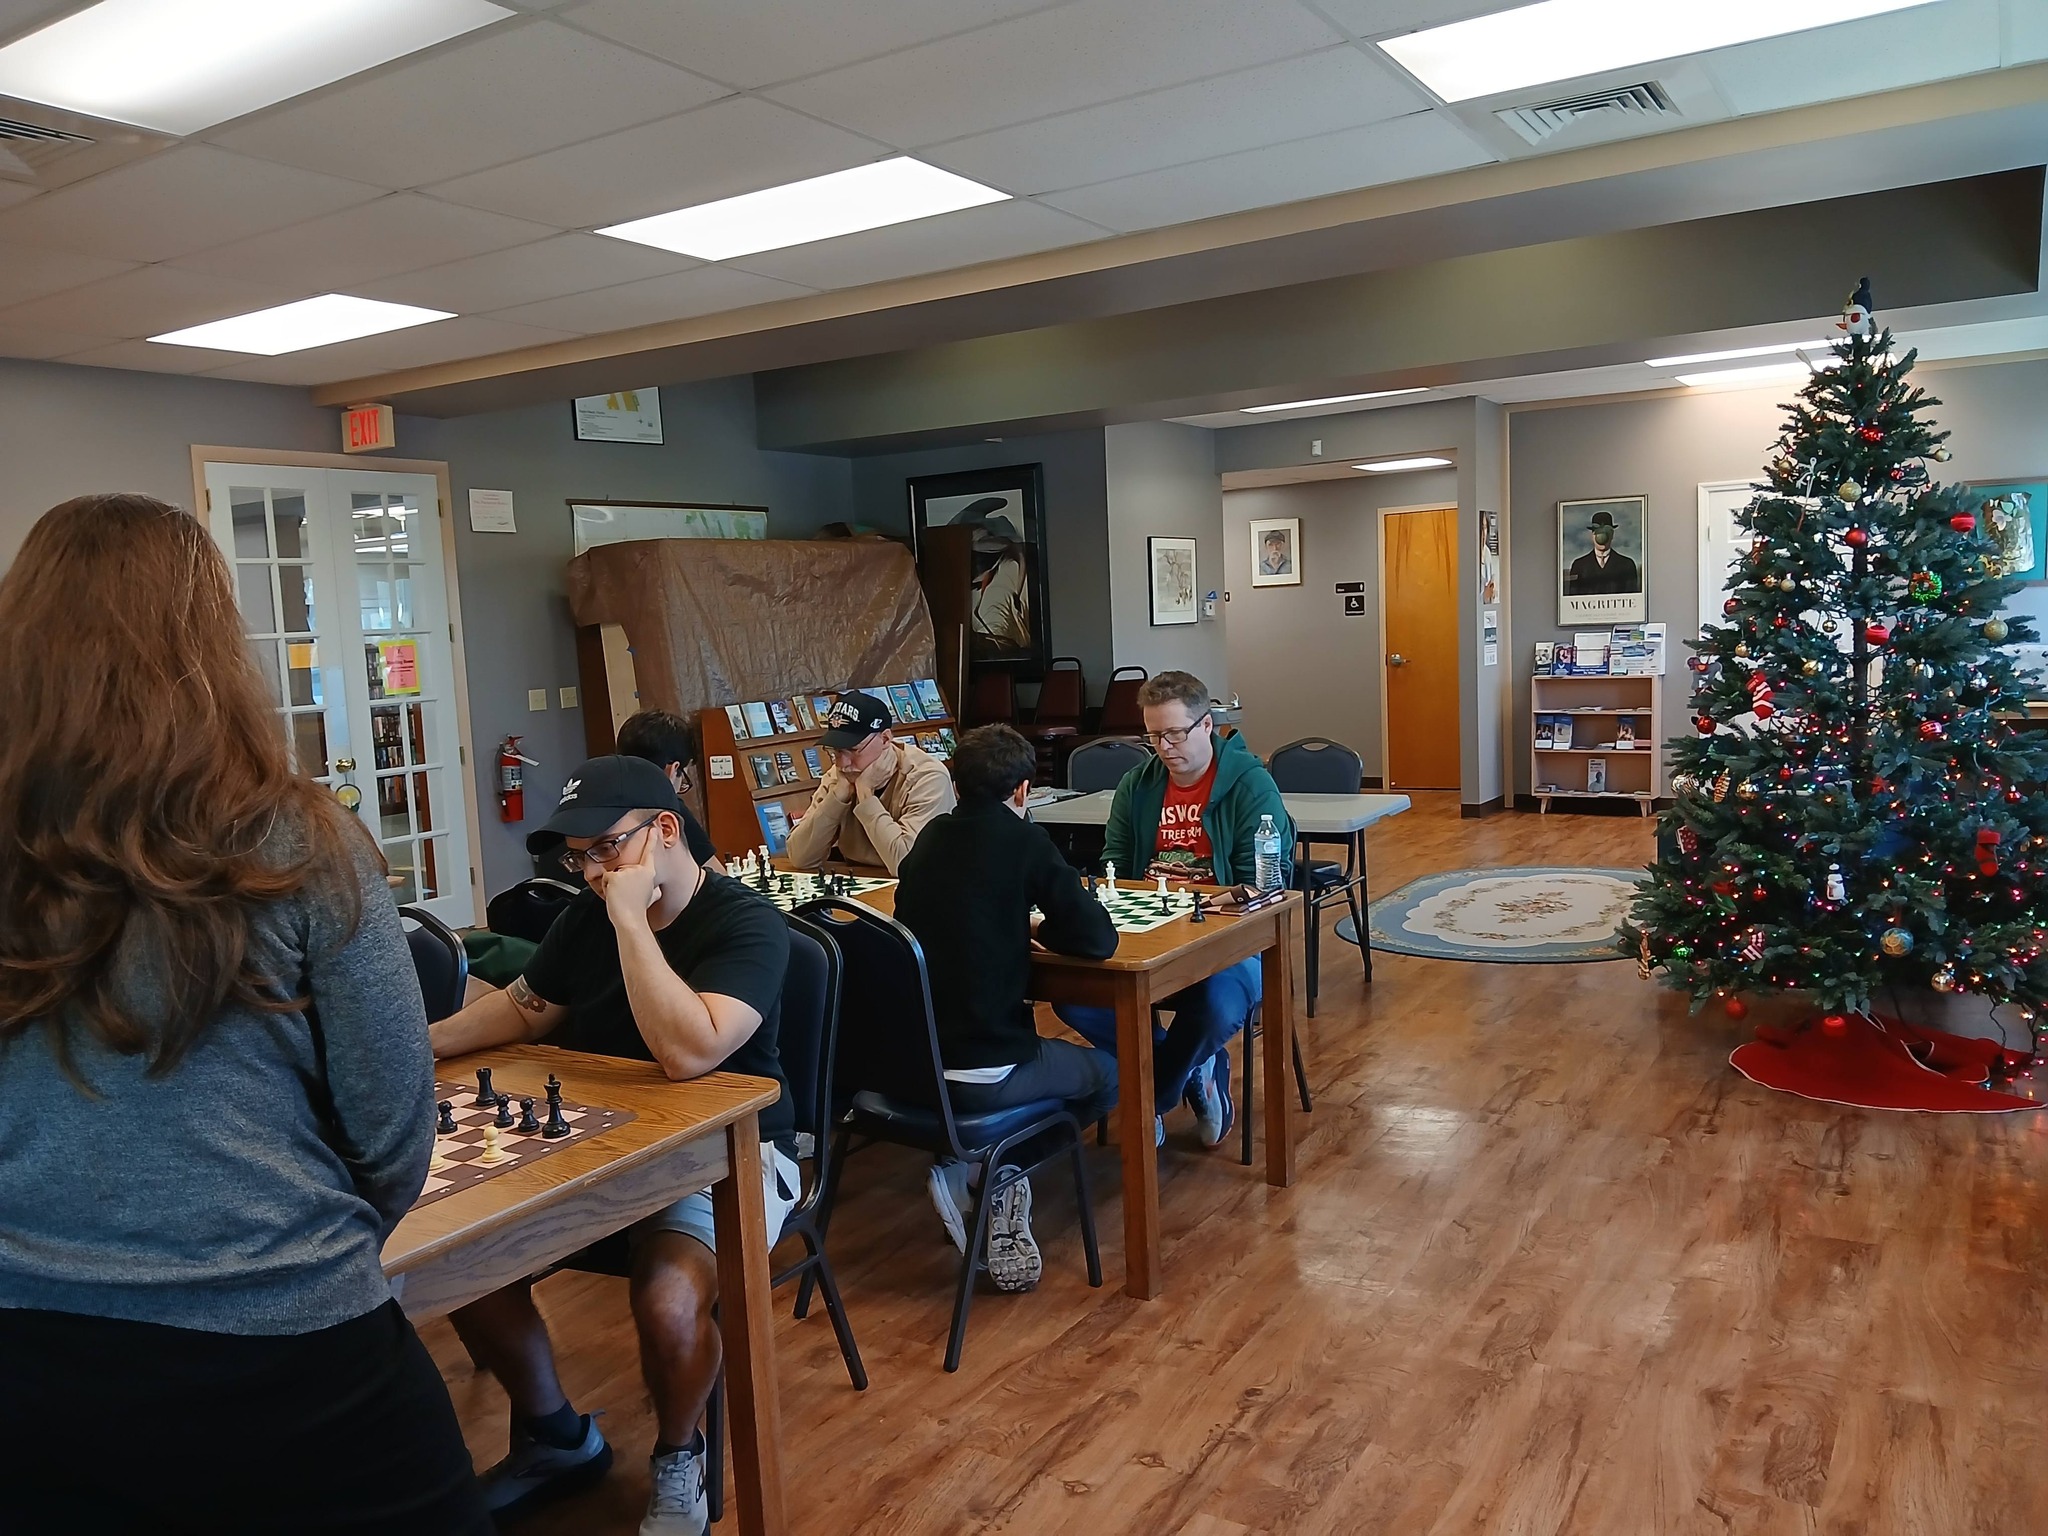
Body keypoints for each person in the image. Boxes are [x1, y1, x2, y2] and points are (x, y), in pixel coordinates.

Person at [0, 495, 489, 1534]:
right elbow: (392, 1136)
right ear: (207, 646)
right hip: (291, 1347)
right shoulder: (299, 840)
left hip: (31, 1358)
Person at [430, 755, 797, 1536]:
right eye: (580, 855)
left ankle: (677, 1458)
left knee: (667, 1301)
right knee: (455, 1260)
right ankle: (557, 1436)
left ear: (666, 831)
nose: (594, 873)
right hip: (603, 1149)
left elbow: (690, 1052)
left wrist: (633, 920)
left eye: (607, 848)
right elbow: (528, 1010)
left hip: (731, 1157)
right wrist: (420, 1045)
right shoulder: (588, 916)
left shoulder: (747, 923)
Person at [893, 724, 1118, 1289]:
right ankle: (1000, 1170)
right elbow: (1098, 939)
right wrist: (1040, 929)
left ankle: (970, 1162)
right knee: (1112, 1075)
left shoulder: (930, 839)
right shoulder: (1021, 840)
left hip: (907, 1069)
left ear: (952, 780)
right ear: (1023, 791)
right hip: (986, 1065)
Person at [1055, 671, 1292, 1148]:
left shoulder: (1251, 786)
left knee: (1215, 1004)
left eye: (1175, 733)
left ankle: (1148, 1099)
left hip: (1229, 939)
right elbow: (1115, 865)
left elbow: (1259, 884)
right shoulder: (1136, 786)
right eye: (1153, 735)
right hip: (1149, 932)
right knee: (1073, 994)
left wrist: (1200, 899)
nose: (1164, 746)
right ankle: (1194, 1068)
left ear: (1207, 726)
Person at [786, 690, 954, 876]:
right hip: (860, 883)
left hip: (917, 889)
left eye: (853, 749)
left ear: (885, 739)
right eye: (836, 751)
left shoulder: (927, 778)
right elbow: (800, 857)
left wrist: (865, 794)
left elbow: (906, 864)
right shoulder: (839, 776)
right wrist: (838, 797)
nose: (842, 763)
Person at [615, 708, 726, 873]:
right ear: (673, 770)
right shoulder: (669, 809)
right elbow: (718, 877)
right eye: (683, 778)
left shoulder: (602, 800)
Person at [1565, 509, 1641, 596]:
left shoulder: (1627, 564)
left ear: (1612, 534)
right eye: (1598, 532)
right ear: (1592, 535)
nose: (1602, 537)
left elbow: (1633, 601)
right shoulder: (1579, 565)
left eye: (1607, 532)